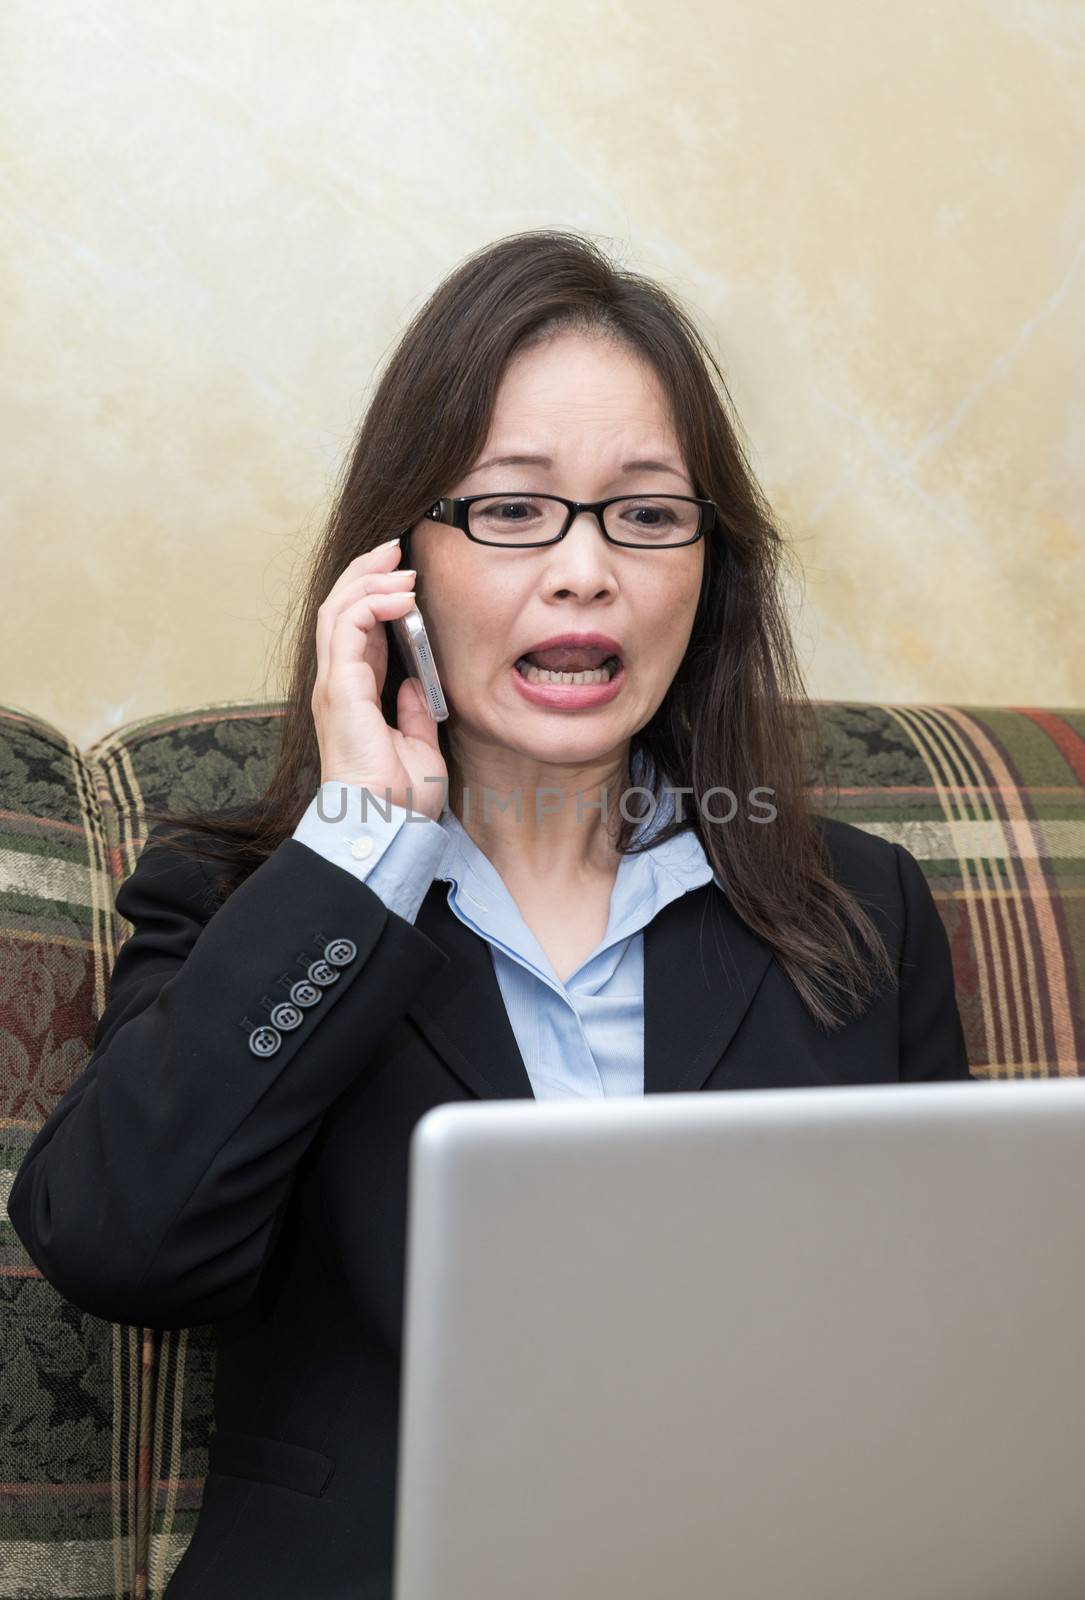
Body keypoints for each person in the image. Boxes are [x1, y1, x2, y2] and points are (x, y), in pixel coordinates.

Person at [7, 228, 970, 1599]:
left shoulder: (856, 909)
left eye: (644, 513)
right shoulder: (250, 899)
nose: (585, 573)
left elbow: (938, 1350)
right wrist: (361, 850)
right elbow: (118, 1241)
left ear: (709, 573)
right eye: (512, 511)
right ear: (395, 572)